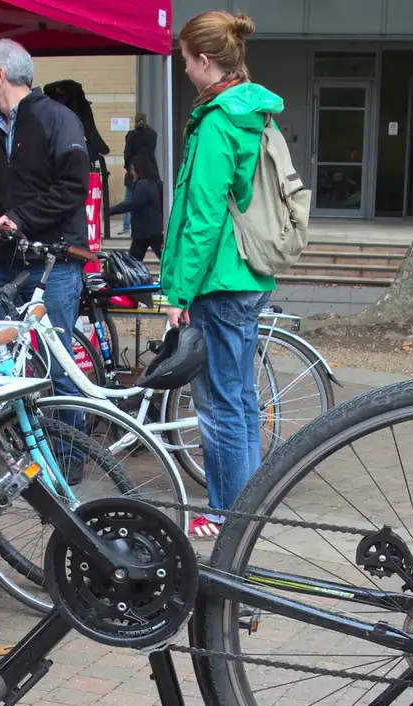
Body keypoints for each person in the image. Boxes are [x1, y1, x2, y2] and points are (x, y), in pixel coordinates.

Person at [161, 10, 281, 540]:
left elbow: (203, 217)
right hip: (247, 274)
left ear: (205, 61)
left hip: (220, 280)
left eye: (186, 61)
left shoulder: (216, 122)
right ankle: (245, 509)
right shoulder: (252, 111)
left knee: (218, 406)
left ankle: (228, 515)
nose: (184, 70)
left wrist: (177, 291)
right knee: (240, 400)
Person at [0, 40, 88, 400]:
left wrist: (20, 217)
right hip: (4, 265)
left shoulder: (59, 120)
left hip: (54, 265)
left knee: (57, 368)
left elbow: (73, 187)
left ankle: (70, 456)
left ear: (0, 75)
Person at [108, 156, 163, 262]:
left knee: (134, 261)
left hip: (147, 229)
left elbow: (132, 203)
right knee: (134, 260)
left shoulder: (143, 184)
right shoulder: (151, 182)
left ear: (139, 169)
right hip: (149, 230)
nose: (132, 172)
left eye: (133, 169)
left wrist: (110, 211)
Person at [121, 112, 158, 235]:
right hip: (150, 170)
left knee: (129, 199)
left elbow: (127, 154)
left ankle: (127, 227)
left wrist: (128, 167)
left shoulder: (131, 135)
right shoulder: (152, 134)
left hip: (135, 169)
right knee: (152, 200)